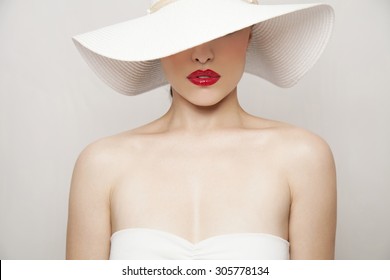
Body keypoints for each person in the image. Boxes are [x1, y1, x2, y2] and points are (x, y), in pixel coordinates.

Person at [66, 0, 336, 260]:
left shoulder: (303, 158)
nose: (202, 54)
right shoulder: (101, 164)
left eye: (225, 29)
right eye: (181, 30)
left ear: (250, 34)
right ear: (156, 39)